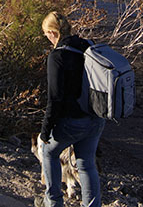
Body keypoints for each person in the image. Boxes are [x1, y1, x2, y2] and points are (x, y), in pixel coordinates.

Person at [39, 11, 106, 207]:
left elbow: (55, 97)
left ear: (52, 32)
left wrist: (46, 129)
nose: (46, 38)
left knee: (49, 152)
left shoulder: (57, 56)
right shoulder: (87, 46)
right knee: (86, 165)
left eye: (46, 34)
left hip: (73, 122)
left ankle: (53, 202)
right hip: (95, 119)